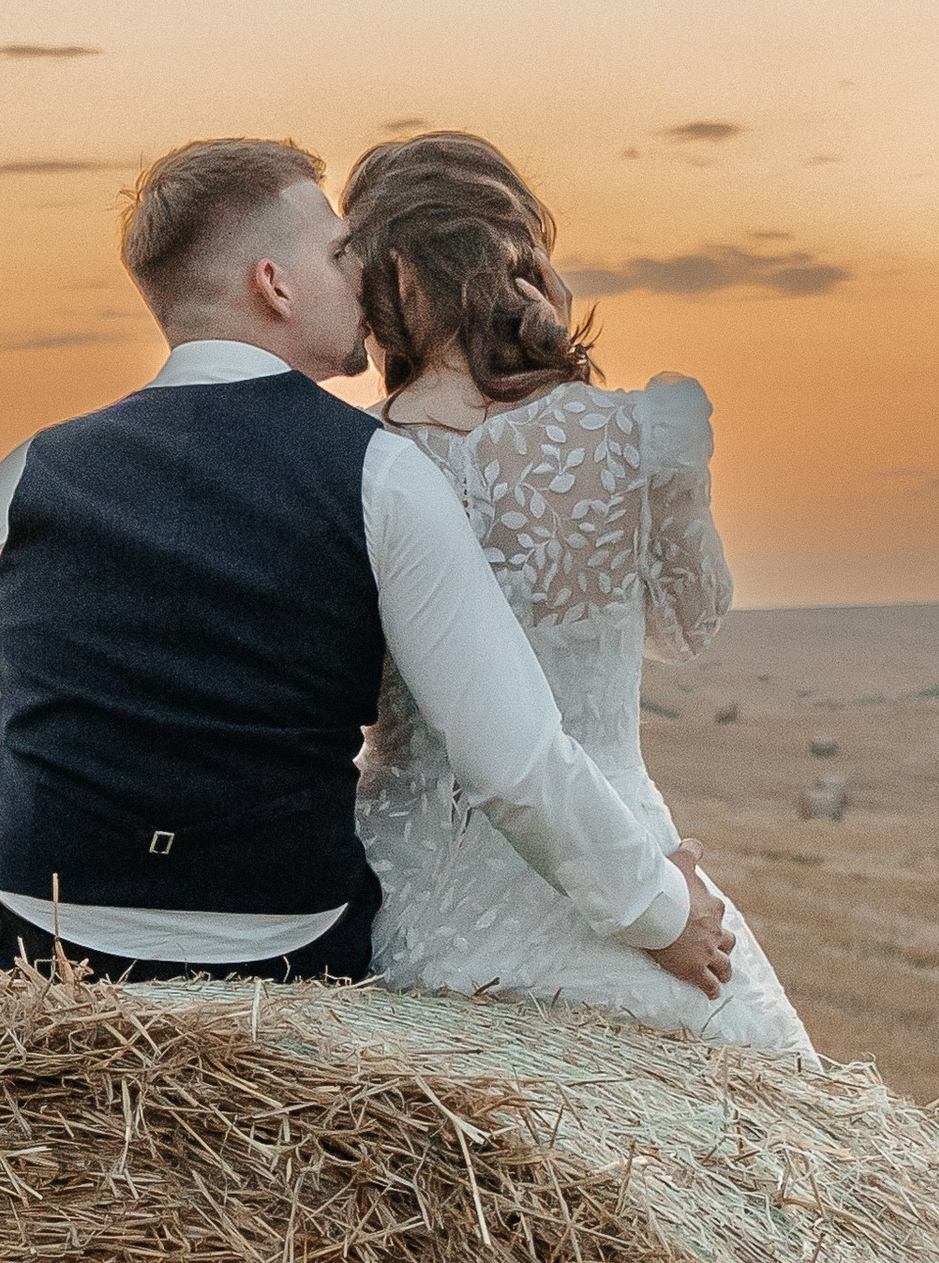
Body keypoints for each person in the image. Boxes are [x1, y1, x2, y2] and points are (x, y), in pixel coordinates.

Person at [0, 136, 737, 991]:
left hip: (36, 945)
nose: (366, 277)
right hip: (278, 955)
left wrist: (74, 881)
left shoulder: (23, 474)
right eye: (340, 253)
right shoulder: (380, 472)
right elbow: (510, 755)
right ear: (273, 284)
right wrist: (663, 912)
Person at [341, 129, 814, 1058]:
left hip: (403, 882)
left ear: (382, 282)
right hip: (615, 855)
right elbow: (689, 621)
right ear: (520, 249)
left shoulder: (346, 452)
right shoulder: (642, 430)